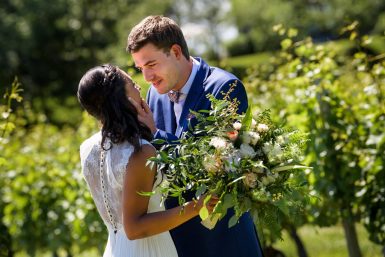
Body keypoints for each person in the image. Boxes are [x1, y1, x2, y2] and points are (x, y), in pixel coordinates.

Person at [126, 15, 264, 257]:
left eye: (151, 65)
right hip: (176, 240)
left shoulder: (225, 88)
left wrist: (156, 135)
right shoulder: (154, 95)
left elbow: (212, 165)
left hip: (224, 239)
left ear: (176, 51)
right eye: (140, 69)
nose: (146, 77)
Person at [77, 64, 217, 257]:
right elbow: (135, 228)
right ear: (124, 99)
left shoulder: (88, 148)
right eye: (133, 84)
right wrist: (197, 206)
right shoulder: (140, 152)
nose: (140, 88)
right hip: (149, 250)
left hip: (115, 249)